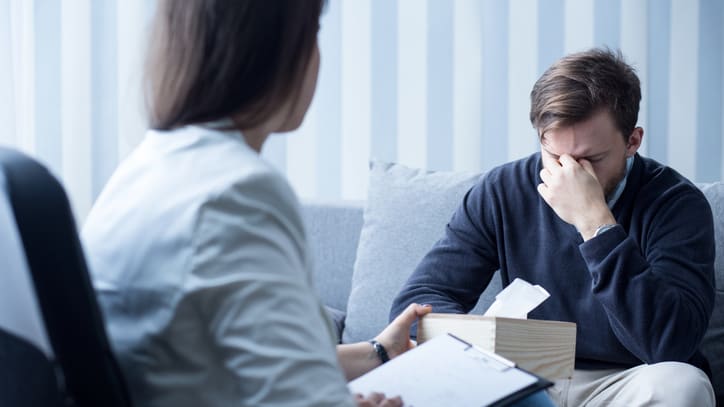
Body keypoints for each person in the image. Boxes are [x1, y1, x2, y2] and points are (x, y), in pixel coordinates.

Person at [82, 1, 430, 406]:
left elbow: (217, 364)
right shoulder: (237, 191)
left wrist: (378, 352)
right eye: (314, 31)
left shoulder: (144, 169)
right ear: (276, 49)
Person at [390, 48, 717, 406]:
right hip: (523, 377)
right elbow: (416, 304)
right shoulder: (502, 190)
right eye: (556, 156)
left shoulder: (676, 203)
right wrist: (482, 347)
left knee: (683, 385)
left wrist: (595, 223)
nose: (570, 174)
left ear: (632, 142)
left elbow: (669, 343)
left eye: (590, 159)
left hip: (626, 380)